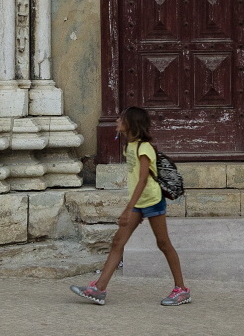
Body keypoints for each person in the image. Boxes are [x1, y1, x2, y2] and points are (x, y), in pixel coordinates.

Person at [70, 106, 189, 306]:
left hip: (151, 201)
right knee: (118, 242)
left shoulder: (144, 148)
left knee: (163, 243)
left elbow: (143, 180)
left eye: (121, 119)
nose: (116, 121)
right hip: (139, 202)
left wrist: (128, 209)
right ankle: (99, 289)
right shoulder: (130, 147)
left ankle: (182, 290)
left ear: (130, 124)